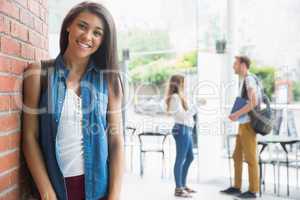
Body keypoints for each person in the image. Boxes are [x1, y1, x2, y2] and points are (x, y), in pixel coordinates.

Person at [22, 2, 124, 200]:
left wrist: (114, 196)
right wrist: (46, 191)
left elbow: (116, 140)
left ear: (104, 40)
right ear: (69, 25)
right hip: (56, 190)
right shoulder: (39, 74)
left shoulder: (108, 79)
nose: (87, 37)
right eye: (83, 26)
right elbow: (29, 137)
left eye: (97, 33)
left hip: (99, 191)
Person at [220, 56, 261, 198]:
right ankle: (237, 187)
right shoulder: (245, 80)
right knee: (237, 156)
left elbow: (253, 102)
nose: (233, 66)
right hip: (243, 124)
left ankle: (253, 191)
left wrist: (236, 114)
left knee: (250, 158)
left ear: (243, 65)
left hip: (248, 124)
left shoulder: (249, 79)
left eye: (235, 64)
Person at [165, 74, 204, 198]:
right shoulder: (175, 98)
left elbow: (186, 116)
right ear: (179, 84)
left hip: (185, 129)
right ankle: (178, 188)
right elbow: (183, 116)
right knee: (180, 159)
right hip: (181, 129)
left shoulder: (180, 97)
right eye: (184, 83)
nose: (185, 85)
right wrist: (197, 106)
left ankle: (182, 185)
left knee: (190, 157)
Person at [273, 69, 297, 137]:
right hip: (279, 103)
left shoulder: (288, 80)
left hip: (287, 103)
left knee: (290, 123)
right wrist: (284, 81)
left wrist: (290, 100)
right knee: (277, 123)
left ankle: (294, 142)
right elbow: (276, 84)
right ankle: (274, 141)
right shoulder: (278, 79)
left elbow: (290, 84)